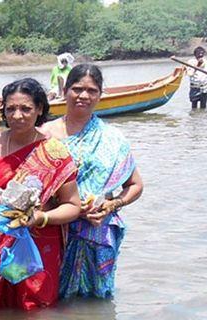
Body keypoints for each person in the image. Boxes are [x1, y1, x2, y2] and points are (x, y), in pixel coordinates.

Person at [0, 78, 80, 310]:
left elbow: (72, 206)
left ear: (40, 110)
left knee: (34, 312)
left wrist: (40, 218)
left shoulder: (53, 152)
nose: (17, 115)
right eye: (10, 109)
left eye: (25, 108)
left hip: (37, 247)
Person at [40, 64, 144, 300]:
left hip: (98, 230)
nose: (84, 96)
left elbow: (135, 185)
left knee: (97, 303)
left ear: (100, 94)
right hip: (56, 228)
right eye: (77, 89)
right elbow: (32, 187)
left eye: (92, 90)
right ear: (65, 90)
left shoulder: (112, 138)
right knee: (52, 297)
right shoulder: (44, 135)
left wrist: (112, 205)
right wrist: (68, 209)